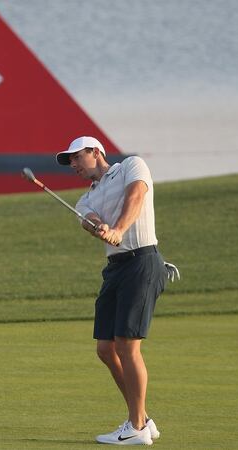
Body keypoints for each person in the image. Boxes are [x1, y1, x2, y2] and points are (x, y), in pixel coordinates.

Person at [56, 136, 177, 445]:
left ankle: (136, 427)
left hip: (143, 260)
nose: (73, 165)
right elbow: (90, 219)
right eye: (69, 161)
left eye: (76, 157)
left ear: (96, 152)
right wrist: (99, 226)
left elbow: (136, 195)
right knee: (106, 349)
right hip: (116, 269)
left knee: (127, 346)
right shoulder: (85, 200)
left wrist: (119, 228)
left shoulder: (131, 167)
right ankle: (142, 419)